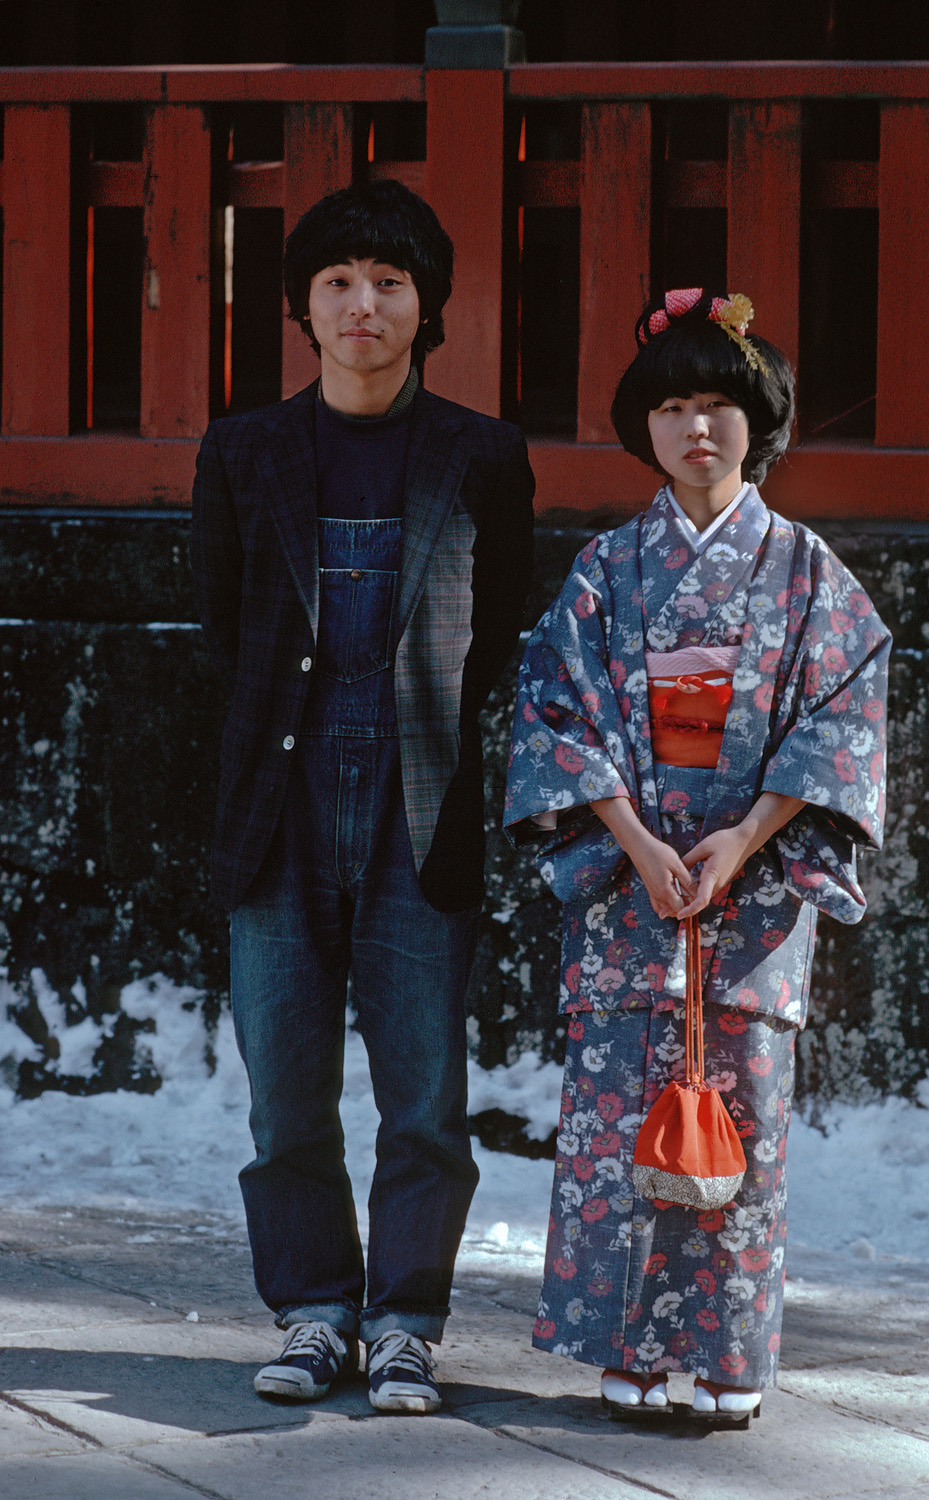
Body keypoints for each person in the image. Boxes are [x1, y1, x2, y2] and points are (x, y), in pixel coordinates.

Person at [504, 287, 889, 1422]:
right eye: (670, 406)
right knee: (623, 1117)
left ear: (753, 420)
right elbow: (552, 716)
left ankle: (726, 1361)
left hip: (754, 890)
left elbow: (843, 712)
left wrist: (746, 833)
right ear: (646, 429)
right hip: (632, 887)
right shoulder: (603, 573)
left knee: (742, 1122)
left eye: (716, 403)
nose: (695, 427)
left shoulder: (810, 573)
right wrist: (629, 837)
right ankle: (628, 1353)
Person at [191, 179, 535, 1414]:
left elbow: (498, 628)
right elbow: (221, 630)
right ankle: (313, 1311)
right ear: (304, 308)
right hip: (273, 812)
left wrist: (421, 730)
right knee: (286, 1096)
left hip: (418, 805)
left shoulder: (482, 454)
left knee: (425, 1098)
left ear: (426, 304)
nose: (362, 305)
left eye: (389, 283)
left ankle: (404, 1321)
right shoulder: (244, 450)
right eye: (338, 283)